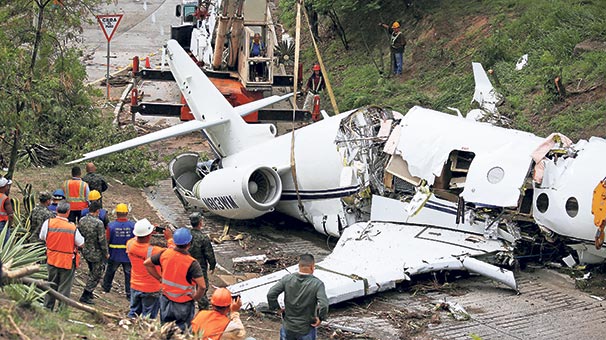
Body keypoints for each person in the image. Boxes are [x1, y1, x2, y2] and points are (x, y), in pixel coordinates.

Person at [144, 227, 207, 332]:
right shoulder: (191, 263)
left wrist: (159, 278)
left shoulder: (165, 254)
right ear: (189, 243)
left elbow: (147, 263)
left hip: (166, 299)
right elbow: (202, 286)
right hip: (184, 303)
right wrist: (196, 297)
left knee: (166, 330)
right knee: (182, 332)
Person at [267, 254, 329, 340]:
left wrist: (277, 308)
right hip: (306, 328)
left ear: (299, 266)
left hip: (288, 326)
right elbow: (324, 304)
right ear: (312, 267)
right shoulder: (317, 284)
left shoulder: (287, 279)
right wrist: (321, 318)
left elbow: (271, 294)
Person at [39, 201, 84, 311]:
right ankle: (61, 311)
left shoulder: (48, 223)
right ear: (68, 212)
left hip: (51, 259)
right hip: (66, 261)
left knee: (50, 285)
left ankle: (47, 308)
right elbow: (81, 243)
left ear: (57, 210)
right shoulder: (72, 227)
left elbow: (42, 237)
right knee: (64, 288)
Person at [126, 219, 173, 319]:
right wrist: (169, 239)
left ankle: (129, 328)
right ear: (149, 235)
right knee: (149, 316)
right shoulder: (154, 251)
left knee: (133, 312)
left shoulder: (130, 244)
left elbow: (137, 238)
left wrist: (147, 230)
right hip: (151, 288)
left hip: (135, 285)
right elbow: (173, 254)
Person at [77, 201, 108, 305]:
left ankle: (89, 292)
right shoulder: (99, 223)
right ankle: (86, 293)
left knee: (92, 270)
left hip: (85, 250)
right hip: (96, 252)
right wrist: (106, 253)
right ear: (98, 211)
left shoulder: (82, 220)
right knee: (96, 274)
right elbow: (102, 240)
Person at [102, 203, 135, 300]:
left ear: (116, 213)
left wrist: (106, 253)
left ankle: (106, 288)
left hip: (114, 254)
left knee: (110, 271)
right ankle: (129, 294)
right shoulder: (132, 226)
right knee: (129, 274)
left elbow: (106, 239)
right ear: (126, 213)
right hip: (128, 255)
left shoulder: (111, 226)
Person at [188, 212, 216, 310]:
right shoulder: (203, 238)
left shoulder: (187, 235)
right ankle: (203, 310)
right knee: (202, 288)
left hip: (186, 265)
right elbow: (209, 254)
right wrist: (212, 265)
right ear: (200, 222)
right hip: (200, 267)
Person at [0, 177, 14, 244]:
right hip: (2, 224)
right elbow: (10, 215)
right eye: (7, 185)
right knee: (4, 245)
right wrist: (9, 225)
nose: (8, 187)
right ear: (3, 187)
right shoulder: (5, 198)